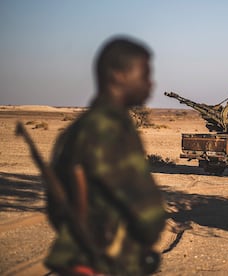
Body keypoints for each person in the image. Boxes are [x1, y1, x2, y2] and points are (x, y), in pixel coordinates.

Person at [44, 36, 166, 275]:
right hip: (109, 266)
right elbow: (148, 215)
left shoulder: (78, 129)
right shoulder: (110, 131)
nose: (151, 84)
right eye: (144, 74)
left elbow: (56, 207)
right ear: (118, 75)